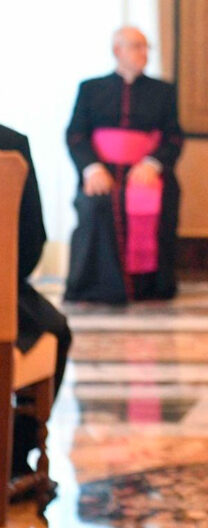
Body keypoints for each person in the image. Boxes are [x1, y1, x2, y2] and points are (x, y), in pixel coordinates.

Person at [65, 26, 183, 304]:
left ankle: (149, 288)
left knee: (159, 203)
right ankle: (96, 288)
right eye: (136, 46)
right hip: (102, 170)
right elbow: (76, 135)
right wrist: (91, 168)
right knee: (96, 205)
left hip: (146, 171)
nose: (144, 53)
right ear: (117, 50)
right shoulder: (90, 88)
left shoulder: (163, 91)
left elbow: (174, 137)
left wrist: (152, 164)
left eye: (146, 47)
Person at [1, 124, 71, 492]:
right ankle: (13, 458)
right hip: (2, 293)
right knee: (55, 330)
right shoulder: (10, 145)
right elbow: (32, 240)